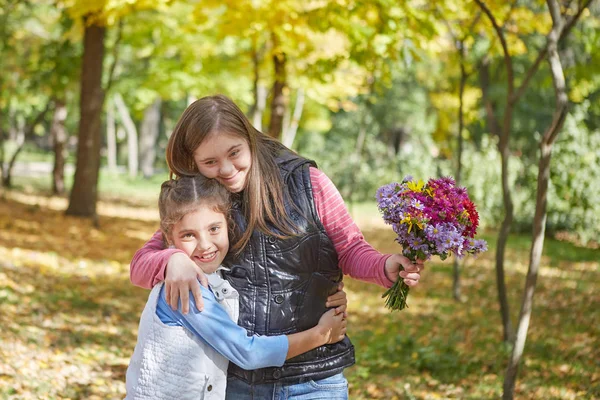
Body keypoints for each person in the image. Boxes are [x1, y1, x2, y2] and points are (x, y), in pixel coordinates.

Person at [130, 94, 424, 399]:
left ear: (250, 139)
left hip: (312, 379)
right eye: (210, 162)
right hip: (237, 382)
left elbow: (350, 248)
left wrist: (385, 267)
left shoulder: (307, 182)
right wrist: (171, 260)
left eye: (235, 153)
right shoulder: (204, 201)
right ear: (194, 162)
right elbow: (141, 265)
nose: (227, 169)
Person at [126, 175, 347, 399]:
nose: (205, 245)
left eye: (214, 229)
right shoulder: (188, 290)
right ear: (169, 238)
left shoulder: (215, 277)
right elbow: (246, 352)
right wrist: (321, 335)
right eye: (189, 235)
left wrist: (323, 292)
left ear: (228, 225)